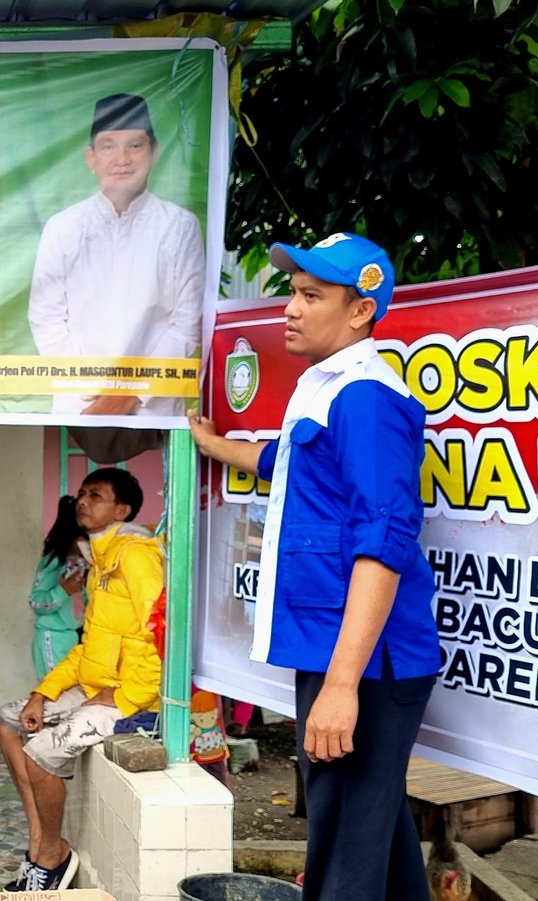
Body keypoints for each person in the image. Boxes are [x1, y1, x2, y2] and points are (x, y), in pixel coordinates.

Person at [187, 233, 440, 901]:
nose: (290, 308)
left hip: (367, 662)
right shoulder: (327, 388)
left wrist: (342, 684)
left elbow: (384, 539)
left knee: (343, 856)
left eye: (311, 295)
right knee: (372, 834)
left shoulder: (367, 397)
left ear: (360, 311)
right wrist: (215, 445)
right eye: (292, 292)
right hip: (343, 653)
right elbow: (287, 464)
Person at [0, 468, 163, 892]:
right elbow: (87, 647)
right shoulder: (100, 560)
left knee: (40, 752)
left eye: (96, 495)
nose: (83, 501)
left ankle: (52, 856)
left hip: (136, 700)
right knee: (8, 719)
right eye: (82, 493)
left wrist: (127, 694)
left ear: (122, 510)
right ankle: (41, 841)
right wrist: (42, 693)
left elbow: (162, 630)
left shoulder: (136, 556)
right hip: (95, 687)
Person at [27, 93, 206, 418]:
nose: (122, 159)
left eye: (134, 145)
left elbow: (187, 323)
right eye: (108, 146)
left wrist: (131, 395)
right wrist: (94, 391)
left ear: (154, 152)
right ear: (91, 157)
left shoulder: (180, 226)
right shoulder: (63, 228)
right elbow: (46, 318)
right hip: (80, 407)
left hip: (155, 411)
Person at [28, 495, 86, 678]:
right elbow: (36, 602)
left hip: (72, 637)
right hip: (52, 638)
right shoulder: (53, 562)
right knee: (55, 690)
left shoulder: (81, 563)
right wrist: (63, 591)